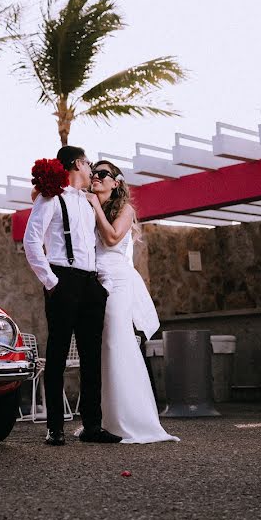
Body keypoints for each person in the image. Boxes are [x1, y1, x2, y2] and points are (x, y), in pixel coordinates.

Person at [23, 146, 122, 446]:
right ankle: (55, 428)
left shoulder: (88, 201)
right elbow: (31, 241)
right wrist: (51, 282)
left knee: (92, 357)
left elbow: (95, 243)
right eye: (89, 163)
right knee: (57, 356)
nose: (91, 168)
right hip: (62, 280)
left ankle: (92, 425)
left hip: (90, 284)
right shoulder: (51, 198)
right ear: (78, 164)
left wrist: (100, 285)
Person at [85, 160, 179, 443]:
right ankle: (105, 420)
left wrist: (95, 207)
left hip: (117, 281)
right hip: (94, 280)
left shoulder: (124, 210)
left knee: (117, 341)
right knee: (100, 348)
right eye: (93, 174)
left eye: (103, 174)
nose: (96, 178)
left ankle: (132, 419)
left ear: (116, 183)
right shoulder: (86, 208)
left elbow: (112, 239)